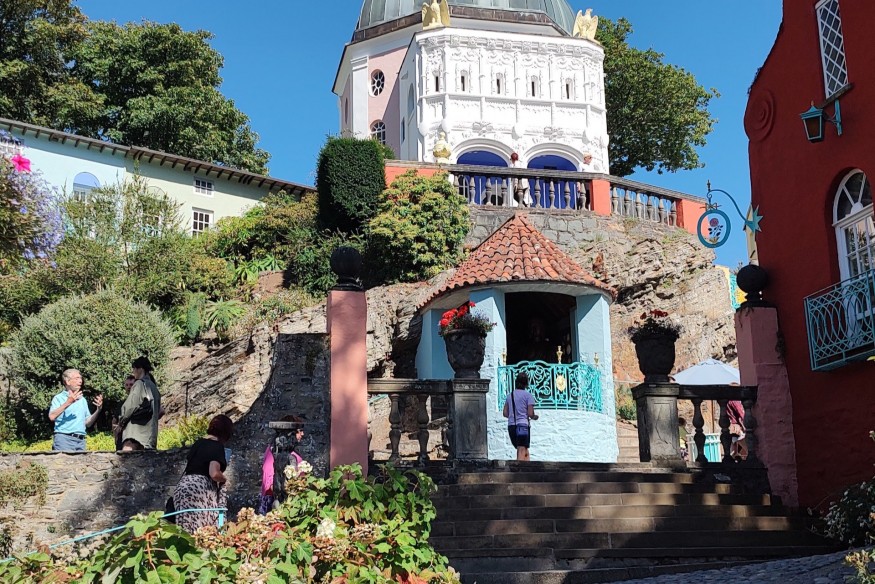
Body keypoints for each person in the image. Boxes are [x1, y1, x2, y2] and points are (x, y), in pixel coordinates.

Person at [173, 414, 233, 534]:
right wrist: (224, 479)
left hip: (183, 487)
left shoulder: (198, 443)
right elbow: (214, 473)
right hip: (199, 489)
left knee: (185, 529)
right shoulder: (217, 446)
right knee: (203, 531)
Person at [258, 415, 305, 515]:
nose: (302, 434)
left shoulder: (291, 453)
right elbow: (268, 478)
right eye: (299, 431)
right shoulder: (273, 452)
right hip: (277, 499)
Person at [48, 369, 103, 451]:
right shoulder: (58, 398)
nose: (80, 381)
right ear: (67, 381)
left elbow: (87, 423)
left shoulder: (82, 400)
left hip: (81, 441)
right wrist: (68, 402)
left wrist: (98, 410)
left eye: (80, 378)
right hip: (64, 440)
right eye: (77, 378)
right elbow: (52, 416)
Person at [119, 356, 161, 451]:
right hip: (149, 436)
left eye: (134, 369)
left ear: (140, 369)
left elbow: (130, 407)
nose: (133, 372)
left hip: (134, 434)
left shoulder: (140, 384)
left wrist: (121, 422)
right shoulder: (154, 388)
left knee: (126, 458)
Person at [503, 371, 538, 461]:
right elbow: (530, 413)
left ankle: (528, 468)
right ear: (526, 383)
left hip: (511, 426)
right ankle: (519, 469)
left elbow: (505, 413)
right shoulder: (528, 396)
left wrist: (513, 415)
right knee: (522, 449)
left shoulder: (510, 396)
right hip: (523, 426)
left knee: (525, 450)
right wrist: (534, 417)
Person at [112, 375, 136, 451]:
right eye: (127, 385)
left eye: (131, 384)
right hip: (121, 439)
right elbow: (114, 421)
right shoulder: (121, 404)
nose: (129, 387)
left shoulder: (140, 402)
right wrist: (115, 436)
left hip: (135, 439)